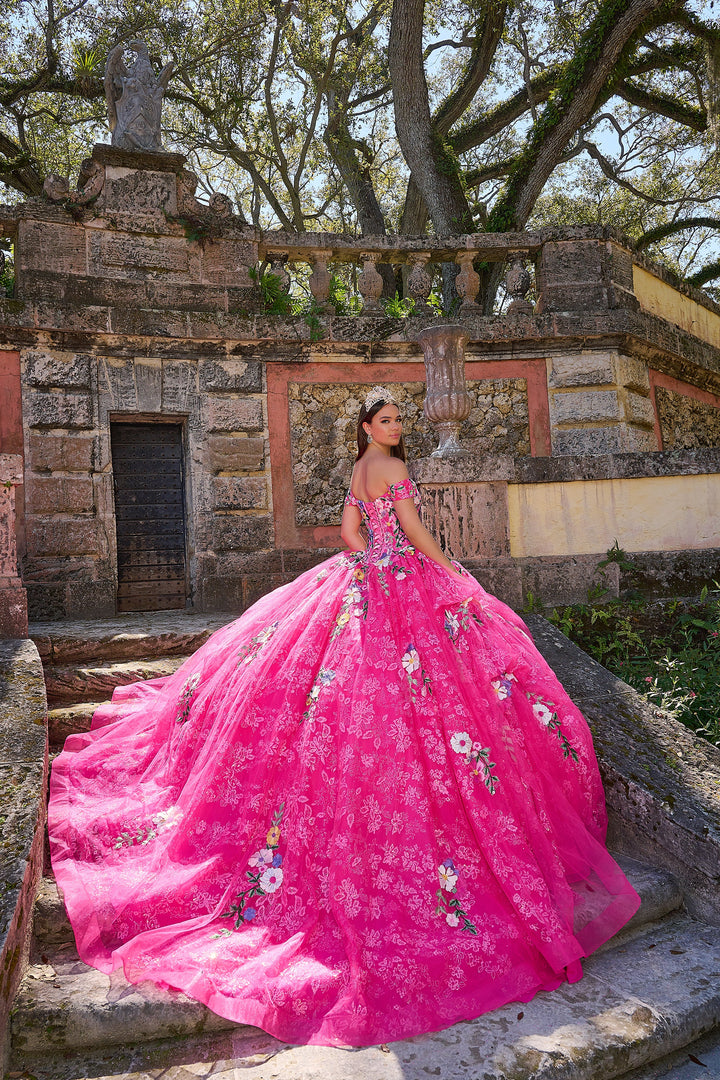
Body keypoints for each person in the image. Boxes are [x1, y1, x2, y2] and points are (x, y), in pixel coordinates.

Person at [48, 386, 640, 1049]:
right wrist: (448, 568)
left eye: (396, 419)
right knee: (430, 706)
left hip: (362, 581)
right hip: (403, 583)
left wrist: (369, 565)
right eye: (385, 419)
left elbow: (352, 534)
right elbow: (411, 529)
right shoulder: (390, 468)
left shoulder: (360, 471)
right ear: (367, 425)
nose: (395, 426)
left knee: (345, 703)